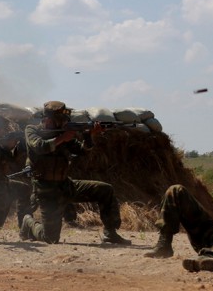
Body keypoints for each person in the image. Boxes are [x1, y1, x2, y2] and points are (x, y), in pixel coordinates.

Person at [20, 101, 131, 246]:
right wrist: (62, 138)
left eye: (64, 121)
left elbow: (82, 151)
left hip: (66, 185)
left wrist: (89, 136)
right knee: (50, 238)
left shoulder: (64, 134)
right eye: (59, 120)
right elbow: (40, 147)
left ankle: (110, 233)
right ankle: (28, 222)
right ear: (48, 120)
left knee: (105, 190)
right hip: (46, 190)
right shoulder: (32, 130)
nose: (63, 123)